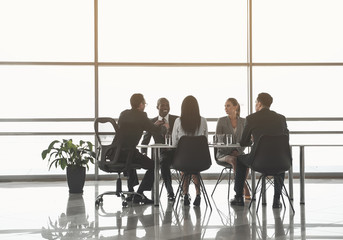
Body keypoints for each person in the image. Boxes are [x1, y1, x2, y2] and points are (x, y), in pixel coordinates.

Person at [229, 92, 289, 208]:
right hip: (281, 160)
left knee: (240, 160)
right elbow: (285, 138)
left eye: (256, 102)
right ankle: (276, 199)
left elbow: (243, 142)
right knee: (279, 164)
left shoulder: (251, 118)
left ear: (259, 103)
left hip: (259, 161)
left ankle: (239, 197)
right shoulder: (281, 118)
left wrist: (253, 140)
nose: (255, 105)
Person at [113, 93, 168, 204]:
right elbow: (155, 130)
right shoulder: (141, 116)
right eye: (144, 103)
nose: (144, 106)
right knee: (154, 166)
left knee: (133, 155)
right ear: (140, 104)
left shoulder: (123, 114)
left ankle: (131, 192)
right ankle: (140, 193)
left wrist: (153, 125)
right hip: (129, 154)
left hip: (116, 153)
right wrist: (164, 128)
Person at [172, 95, 208, 206]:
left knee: (185, 167)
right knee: (195, 168)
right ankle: (198, 194)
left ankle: (185, 194)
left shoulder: (178, 121)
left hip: (183, 160)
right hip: (200, 161)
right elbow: (205, 141)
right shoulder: (203, 121)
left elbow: (174, 143)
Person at [141, 97, 178, 201]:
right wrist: (143, 154)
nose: (165, 107)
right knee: (162, 162)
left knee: (164, 161)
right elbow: (145, 141)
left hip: (175, 153)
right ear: (157, 107)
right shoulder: (152, 122)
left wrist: (169, 129)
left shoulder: (176, 120)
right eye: (163, 105)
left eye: (167, 105)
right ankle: (170, 192)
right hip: (159, 155)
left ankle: (177, 193)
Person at [215, 98, 250, 200]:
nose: (226, 108)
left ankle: (240, 185)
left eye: (228, 105)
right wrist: (231, 151)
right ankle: (244, 188)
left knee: (246, 162)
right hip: (223, 154)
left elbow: (245, 140)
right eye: (225, 106)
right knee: (234, 160)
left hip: (239, 152)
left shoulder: (243, 122)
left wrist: (237, 151)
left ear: (235, 107)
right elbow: (218, 141)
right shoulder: (221, 121)